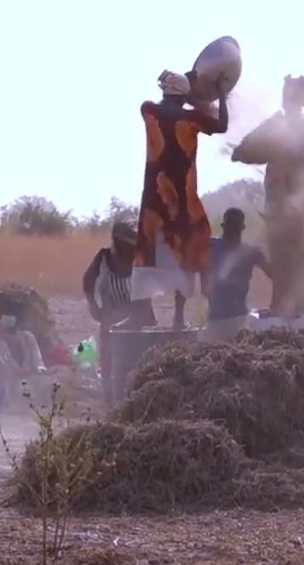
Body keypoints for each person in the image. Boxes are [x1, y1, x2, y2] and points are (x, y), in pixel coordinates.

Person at [132, 68, 230, 328]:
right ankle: (178, 317)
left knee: (146, 250)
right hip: (182, 201)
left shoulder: (148, 111)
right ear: (183, 95)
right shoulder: (191, 119)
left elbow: (171, 101)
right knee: (186, 249)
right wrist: (220, 93)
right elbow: (221, 125)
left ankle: (141, 311)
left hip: (154, 198)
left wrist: (186, 88)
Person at [232, 74, 304, 317]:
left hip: (298, 206)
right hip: (281, 206)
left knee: (299, 260)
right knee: (283, 260)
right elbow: (242, 152)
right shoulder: (277, 128)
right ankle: (283, 310)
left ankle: (294, 311)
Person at [82, 219, 157, 387]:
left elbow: (146, 301)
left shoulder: (141, 262)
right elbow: (87, 281)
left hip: (139, 324)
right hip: (109, 322)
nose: (133, 248)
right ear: (118, 242)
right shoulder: (104, 258)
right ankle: (110, 403)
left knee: (138, 370)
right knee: (110, 370)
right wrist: (92, 304)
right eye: (129, 243)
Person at [204, 208, 276, 341]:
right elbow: (274, 275)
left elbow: (274, 275)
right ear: (242, 227)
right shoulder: (250, 252)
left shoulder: (211, 245)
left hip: (227, 319)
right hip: (230, 319)